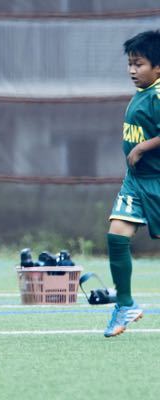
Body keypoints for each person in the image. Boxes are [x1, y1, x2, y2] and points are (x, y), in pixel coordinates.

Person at [104, 30, 160, 337]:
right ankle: (125, 304)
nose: (132, 70)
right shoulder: (144, 92)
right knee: (116, 235)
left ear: (158, 67)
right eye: (130, 64)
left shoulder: (158, 96)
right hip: (136, 182)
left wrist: (141, 147)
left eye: (138, 64)